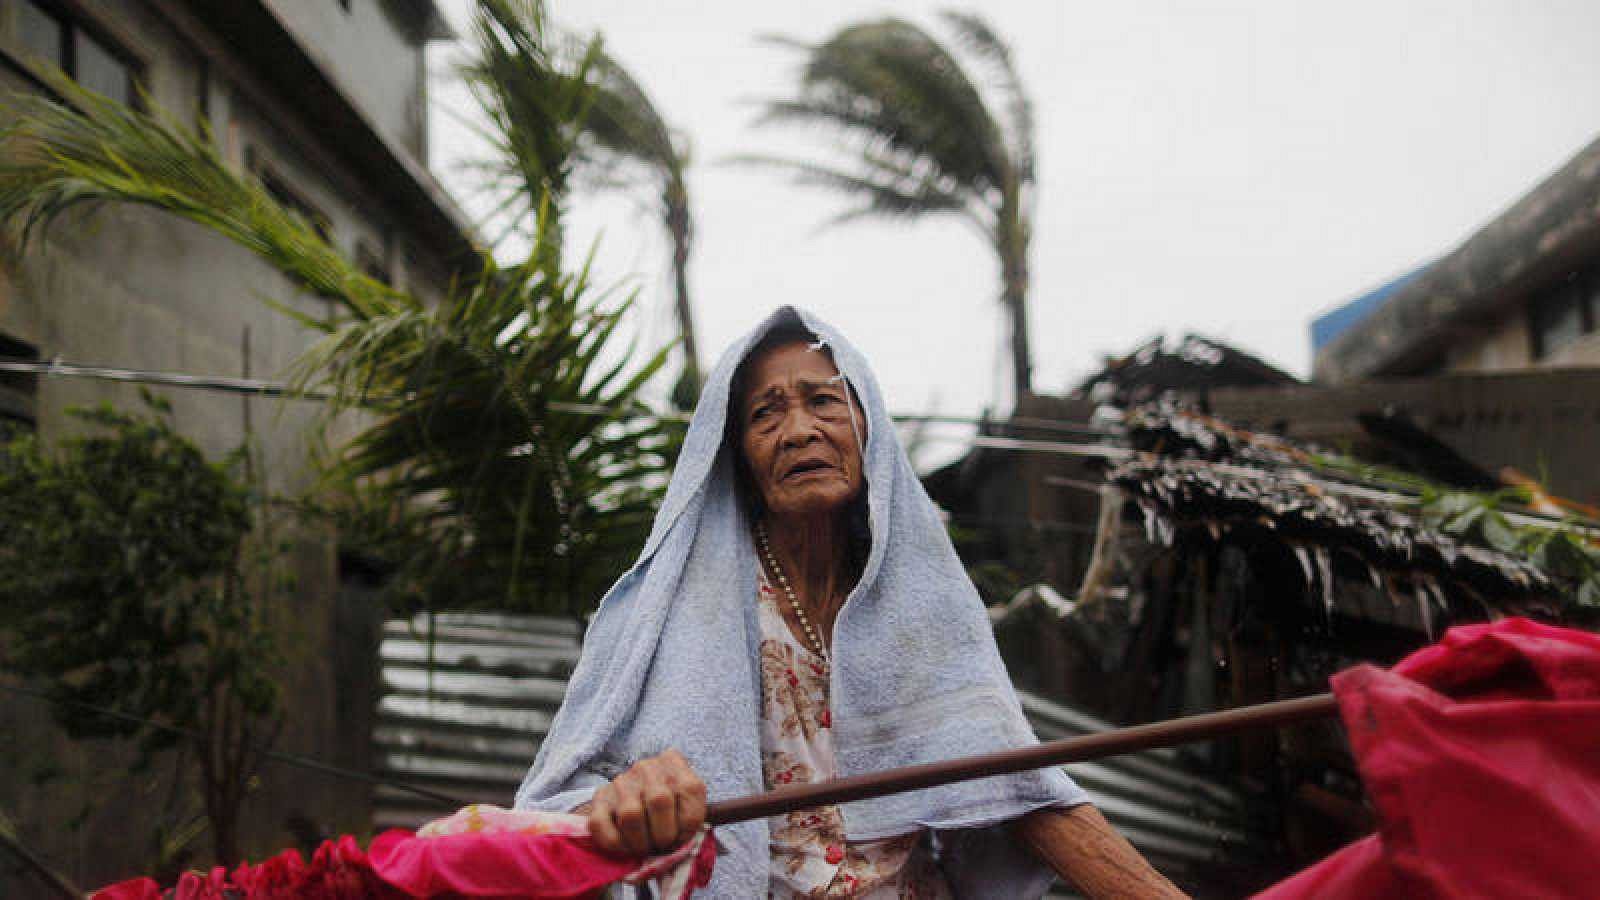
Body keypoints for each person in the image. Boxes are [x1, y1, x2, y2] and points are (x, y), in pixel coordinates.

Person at [516, 308, 1184, 898]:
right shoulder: (660, 620)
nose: (798, 429)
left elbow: (1019, 789)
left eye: (823, 402)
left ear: (869, 432)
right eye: (765, 412)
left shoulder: (920, 613)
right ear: (738, 457)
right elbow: (551, 812)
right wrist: (621, 800)